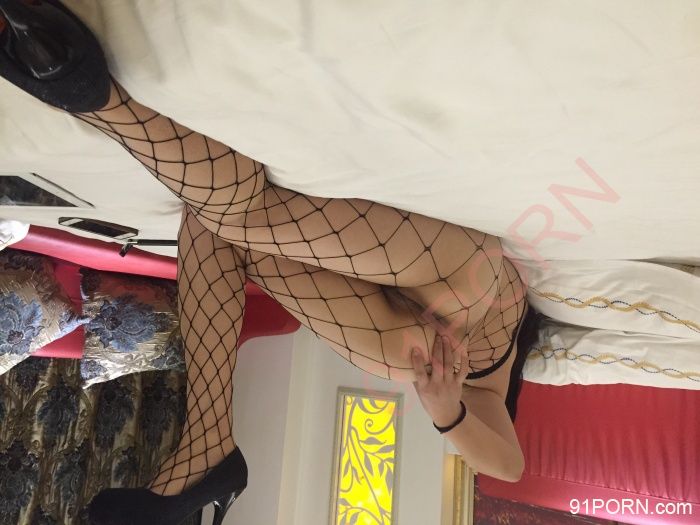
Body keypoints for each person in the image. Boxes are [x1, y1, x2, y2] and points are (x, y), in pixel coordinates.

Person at [0, 1, 540, 523]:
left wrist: (448, 413)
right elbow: (511, 464)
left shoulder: (473, 395)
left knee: (221, 221)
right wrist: (453, 411)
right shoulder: (500, 373)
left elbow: (505, 468)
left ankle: (208, 442)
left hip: (416, 350)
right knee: (236, 217)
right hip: (464, 290)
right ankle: (93, 97)